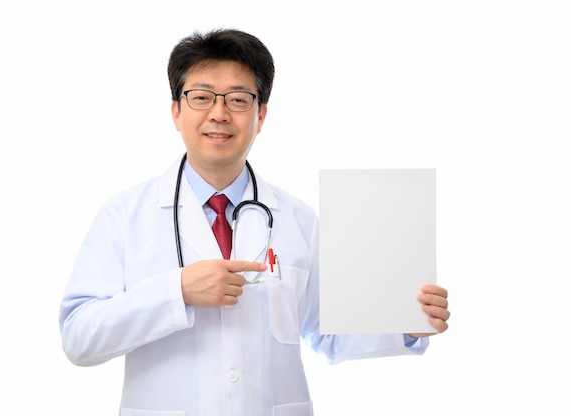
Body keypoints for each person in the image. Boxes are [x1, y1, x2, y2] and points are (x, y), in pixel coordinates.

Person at [59, 28, 450, 416]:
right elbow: (78, 337)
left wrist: (406, 322)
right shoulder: (124, 216)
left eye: (238, 99)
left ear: (260, 115)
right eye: (201, 97)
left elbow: (327, 331)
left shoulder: (297, 219)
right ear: (177, 111)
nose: (219, 113)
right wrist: (176, 292)